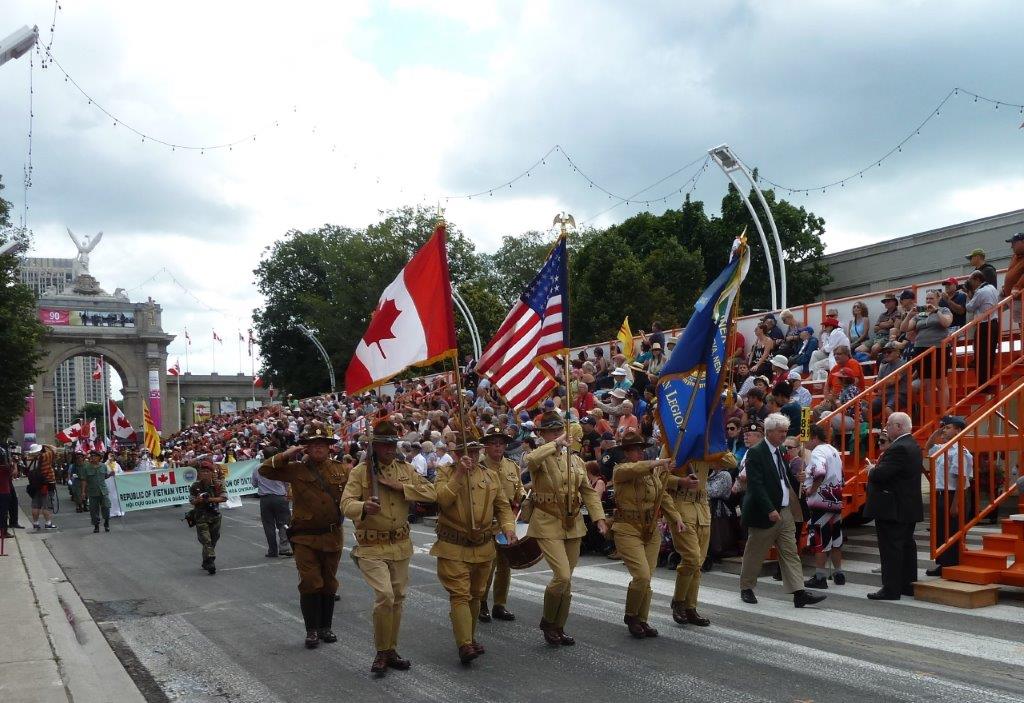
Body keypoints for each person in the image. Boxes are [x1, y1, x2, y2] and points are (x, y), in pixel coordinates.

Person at [341, 419, 436, 675]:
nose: (389, 450)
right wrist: (363, 507)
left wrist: (402, 487)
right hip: (372, 546)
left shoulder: (404, 469)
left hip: (400, 543)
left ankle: (391, 649)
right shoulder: (361, 472)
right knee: (385, 595)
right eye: (383, 446)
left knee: (398, 599)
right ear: (374, 447)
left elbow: (431, 493)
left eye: (392, 445)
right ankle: (382, 651)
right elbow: (345, 504)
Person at [260, 423, 349, 647]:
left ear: (330, 448)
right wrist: (287, 453)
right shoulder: (296, 469)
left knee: (329, 583)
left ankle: (325, 627)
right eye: (313, 445)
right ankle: (311, 630)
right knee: (310, 582)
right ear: (306, 448)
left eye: (322, 445)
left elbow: (353, 495)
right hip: (304, 537)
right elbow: (265, 470)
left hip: (332, 535)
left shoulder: (342, 469)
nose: (318, 448)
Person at [525, 410, 608, 646]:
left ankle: (558, 626)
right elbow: (530, 461)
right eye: (551, 431)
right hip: (547, 520)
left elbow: (588, 492)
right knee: (561, 575)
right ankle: (547, 620)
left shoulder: (576, 460)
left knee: (567, 580)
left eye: (560, 430)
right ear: (543, 435)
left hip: (572, 523)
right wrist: (555, 444)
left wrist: (599, 518)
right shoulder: (540, 456)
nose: (558, 434)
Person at [431, 439, 516, 664]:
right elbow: (442, 499)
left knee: (477, 593)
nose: (471, 456)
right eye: (464, 453)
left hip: (483, 546)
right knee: (460, 593)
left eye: (475, 452)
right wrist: (459, 473)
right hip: (453, 546)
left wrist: (508, 528)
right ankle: (465, 644)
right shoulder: (444, 472)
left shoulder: (490, 476)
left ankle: (469, 635)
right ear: (456, 454)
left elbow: (503, 507)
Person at [738, 413, 825, 608]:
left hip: (785, 510)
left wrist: (798, 479)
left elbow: (783, 478)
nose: (784, 435)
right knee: (755, 552)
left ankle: (799, 592)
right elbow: (756, 485)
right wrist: (769, 508)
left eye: (786, 431)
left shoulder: (779, 451)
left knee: (790, 552)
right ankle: (747, 587)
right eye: (781, 432)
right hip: (765, 511)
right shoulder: (756, 452)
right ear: (769, 432)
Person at [610, 431, 683, 638]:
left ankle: (642, 619)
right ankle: (631, 615)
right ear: (626, 452)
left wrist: (676, 517)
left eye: (641, 449)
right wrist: (657, 462)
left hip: (650, 529)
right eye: (634, 450)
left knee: (648, 577)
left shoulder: (651, 473)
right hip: (627, 528)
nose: (639, 453)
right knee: (641, 575)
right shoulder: (621, 470)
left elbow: (663, 496)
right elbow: (635, 469)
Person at [666, 448, 737, 627]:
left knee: (698, 563)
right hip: (681, 505)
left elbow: (732, 462)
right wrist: (680, 481)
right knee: (691, 558)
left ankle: (690, 607)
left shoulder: (708, 446)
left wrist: (712, 443)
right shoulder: (675, 442)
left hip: (702, 507)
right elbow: (659, 478)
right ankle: (679, 601)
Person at [864, 412, 923, 600]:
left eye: (888, 425)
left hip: (893, 507)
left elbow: (882, 475)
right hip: (907, 505)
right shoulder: (912, 444)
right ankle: (907, 584)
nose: (886, 428)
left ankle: (891, 588)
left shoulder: (899, 448)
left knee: (891, 548)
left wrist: (872, 470)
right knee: (906, 546)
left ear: (898, 426)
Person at [479, 428, 527, 623]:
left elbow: (519, 488)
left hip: (507, 522)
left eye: (501, 443)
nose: (498, 446)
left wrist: (522, 497)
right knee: (487, 566)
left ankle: (500, 604)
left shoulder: (512, 466)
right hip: (487, 522)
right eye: (494, 442)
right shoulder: (480, 466)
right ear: (486, 446)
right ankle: (482, 603)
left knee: (505, 566)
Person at [924, 416, 972, 577]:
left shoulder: (960, 451)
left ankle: (951, 565)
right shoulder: (943, 447)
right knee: (941, 531)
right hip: (941, 494)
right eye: (944, 427)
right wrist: (937, 432)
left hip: (953, 495)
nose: (945, 430)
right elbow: (928, 447)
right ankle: (942, 563)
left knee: (952, 531)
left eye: (948, 427)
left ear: (958, 430)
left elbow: (961, 479)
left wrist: (955, 504)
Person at [802, 425, 845, 589]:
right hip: (835, 499)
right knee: (836, 538)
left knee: (819, 537)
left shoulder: (818, 452)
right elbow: (842, 476)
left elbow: (819, 472)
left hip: (821, 500)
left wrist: (811, 489)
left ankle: (820, 577)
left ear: (814, 437)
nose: (805, 442)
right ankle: (838, 573)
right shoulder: (833, 450)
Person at [252, 447, 293, 558]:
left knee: (268, 525)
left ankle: (272, 550)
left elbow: (254, 484)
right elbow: (287, 482)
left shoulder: (257, 468)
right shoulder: (279, 467)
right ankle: (284, 547)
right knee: (284, 523)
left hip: (265, 499)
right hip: (280, 497)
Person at [965, 269, 1000, 392]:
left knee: (980, 356)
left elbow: (969, 307)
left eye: (970, 281)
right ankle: (987, 383)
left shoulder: (980, 292)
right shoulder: (992, 288)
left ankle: (981, 385)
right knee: (989, 354)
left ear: (977, 280)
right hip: (994, 323)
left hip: (984, 325)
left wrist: (968, 295)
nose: (969, 284)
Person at [25, 444, 58, 530]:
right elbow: (54, 449)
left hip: (34, 485)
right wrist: (45, 445)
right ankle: (48, 523)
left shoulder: (29, 458)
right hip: (46, 483)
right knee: (46, 505)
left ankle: (35, 523)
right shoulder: (44, 456)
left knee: (35, 505)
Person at [79, 449, 113, 533]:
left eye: (95, 456)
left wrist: (110, 474)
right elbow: (84, 480)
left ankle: (106, 523)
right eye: (92, 456)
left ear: (99, 458)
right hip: (92, 492)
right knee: (94, 510)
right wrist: (83, 492)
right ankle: (96, 526)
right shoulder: (86, 467)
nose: (92, 458)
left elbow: (105, 476)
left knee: (106, 507)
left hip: (103, 491)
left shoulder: (103, 466)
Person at [1001, 232, 1024, 332]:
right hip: (1013, 296)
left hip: (1019, 295)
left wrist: (1017, 287)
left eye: (1014, 243)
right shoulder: (1015, 256)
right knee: (1021, 324)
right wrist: (1005, 287)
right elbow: (1012, 272)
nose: (1011, 246)